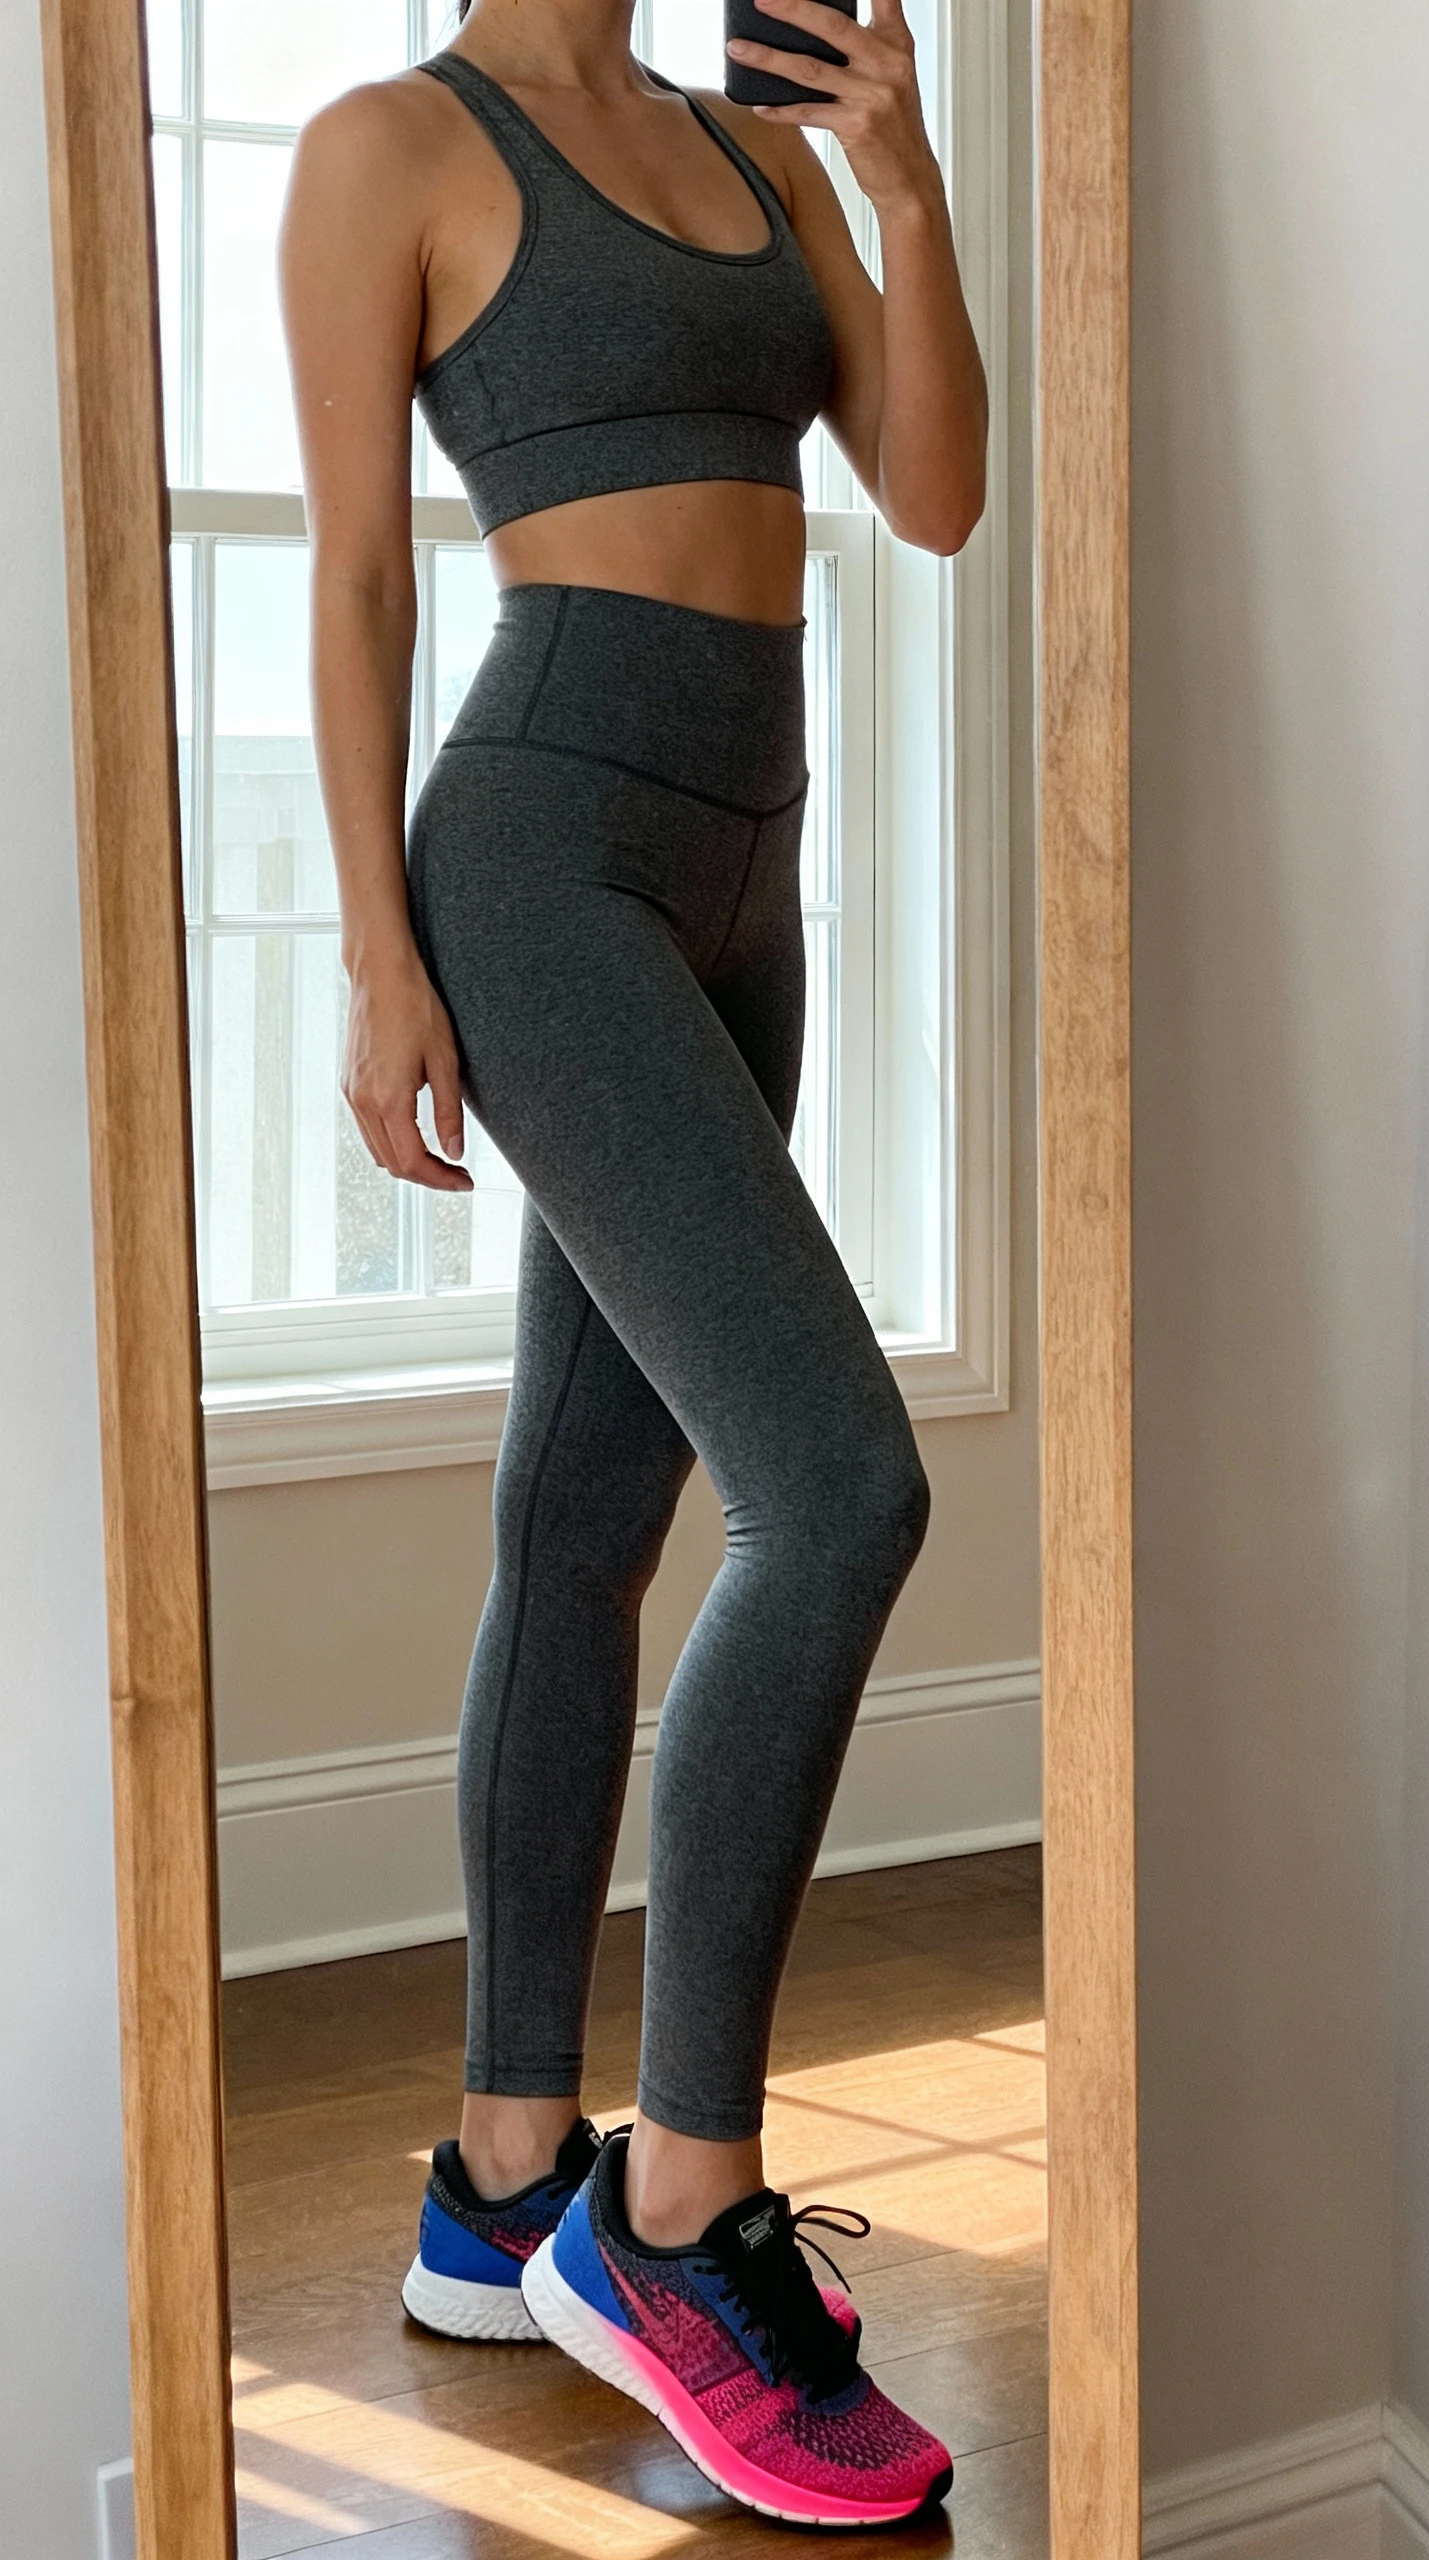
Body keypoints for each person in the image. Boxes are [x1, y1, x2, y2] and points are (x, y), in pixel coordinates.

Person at [279, 0, 986, 2524]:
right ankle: (670, 2216)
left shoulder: (763, 146)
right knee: (836, 1485)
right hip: (543, 854)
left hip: (744, 877)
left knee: (585, 1523)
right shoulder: (390, 146)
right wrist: (376, 948)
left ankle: (499, 2180)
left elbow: (930, 497)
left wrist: (904, 180)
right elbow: (358, 571)